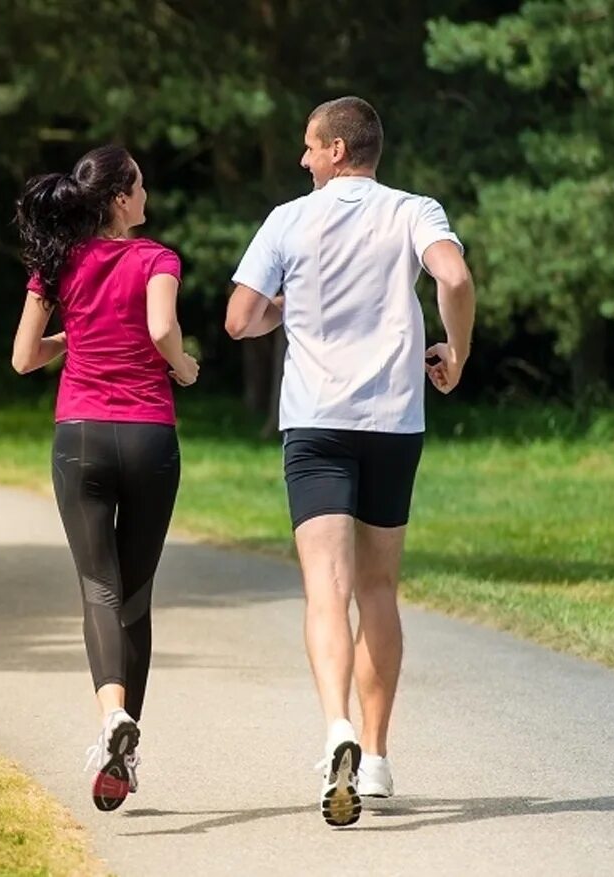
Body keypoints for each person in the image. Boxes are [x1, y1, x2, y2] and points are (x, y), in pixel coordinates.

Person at [224, 96, 476, 827]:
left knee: (325, 590)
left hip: (317, 426)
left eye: (309, 146)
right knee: (380, 588)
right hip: (393, 422)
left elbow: (240, 318)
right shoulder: (412, 209)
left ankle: (336, 726)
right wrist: (456, 352)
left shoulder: (288, 220)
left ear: (338, 150)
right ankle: (379, 754)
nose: (302, 159)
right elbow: (453, 280)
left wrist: (285, 309)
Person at [12, 144, 199, 812]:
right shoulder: (157, 259)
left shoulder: (56, 264)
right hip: (150, 438)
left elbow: (23, 357)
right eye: (141, 186)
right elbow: (159, 327)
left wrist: (75, 338)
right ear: (120, 196)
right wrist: (182, 366)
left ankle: (112, 718)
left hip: (81, 440)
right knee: (136, 596)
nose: (147, 197)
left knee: (98, 588)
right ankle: (123, 744)